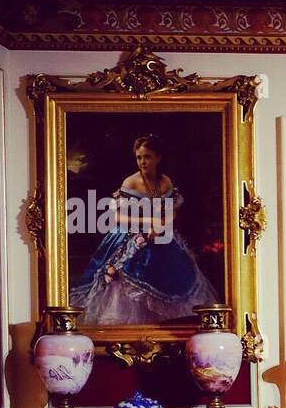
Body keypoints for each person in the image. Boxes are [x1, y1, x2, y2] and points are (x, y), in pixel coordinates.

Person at [69, 135, 219, 324]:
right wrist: (149, 220)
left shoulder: (165, 181)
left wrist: (161, 225)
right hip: (129, 234)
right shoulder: (130, 182)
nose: (142, 162)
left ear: (158, 158)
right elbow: (118, 217)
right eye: (139, 157)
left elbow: (172, 212)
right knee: (124, 282)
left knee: (173, 275)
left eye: (147, 157)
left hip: (161, 237)